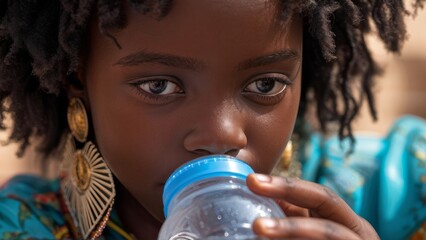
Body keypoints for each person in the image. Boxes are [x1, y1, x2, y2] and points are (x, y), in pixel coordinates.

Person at [0, 0, 422, 239]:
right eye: (159, 86)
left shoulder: (402, 191)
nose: (222, 134)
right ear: (77, 80)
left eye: (265, 85)